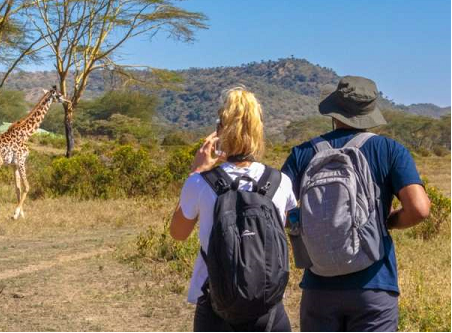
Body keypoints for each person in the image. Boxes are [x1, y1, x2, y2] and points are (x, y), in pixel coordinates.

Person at [282, 76, 431, 332]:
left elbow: (277, 208)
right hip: (374, 284)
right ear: (370, 111)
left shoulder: (303, 153)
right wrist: (388, 222)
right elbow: (419, 209)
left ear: (334, 110)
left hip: (318, 287)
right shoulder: (390, 150)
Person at [170, 87, 297, 332]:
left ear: (220, 131)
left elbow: (178, 233)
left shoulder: (199, 183)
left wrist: (197, 169)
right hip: (268, 308)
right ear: (259, 132)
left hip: (215, 304)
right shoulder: (280, 182)